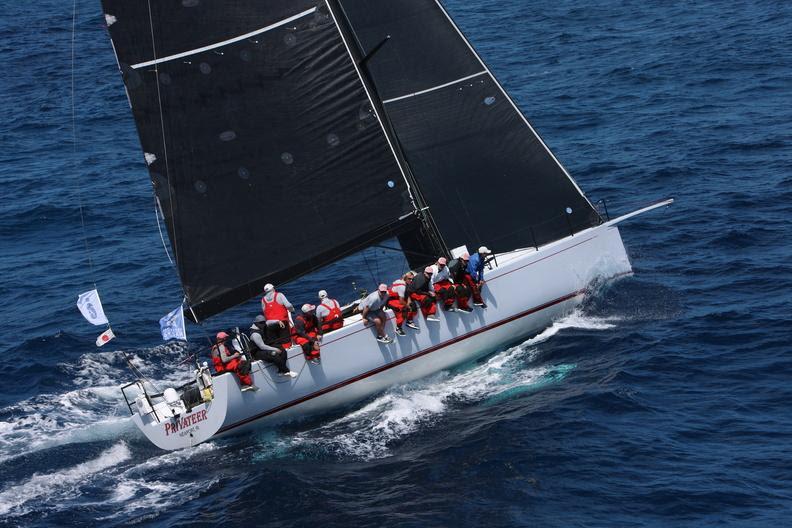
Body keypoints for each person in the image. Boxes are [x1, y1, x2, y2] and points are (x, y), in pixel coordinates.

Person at [387, 272, 419, 336]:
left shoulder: (405, 284)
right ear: (405, 278)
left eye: (412, 279)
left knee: (411, 305)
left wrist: (409, 302)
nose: (411, 280)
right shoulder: (402, 286)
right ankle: (398, 328)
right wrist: (407, 306)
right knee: (403, 309)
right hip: (391, 300)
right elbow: (401, 301)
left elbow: (407, 295)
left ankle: (409, 321)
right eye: (409, 279)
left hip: (398, 298)